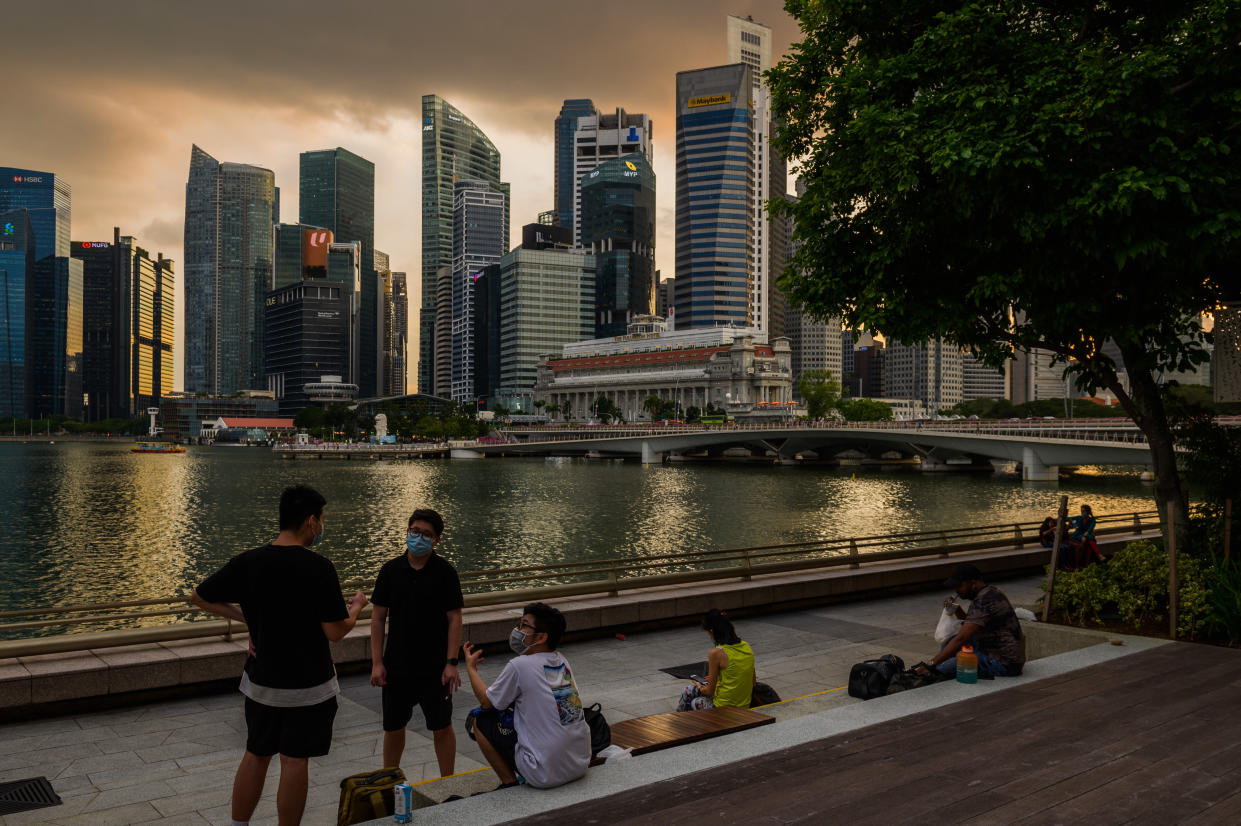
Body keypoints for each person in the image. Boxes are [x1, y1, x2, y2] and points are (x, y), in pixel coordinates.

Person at [190, 484, 366, 826]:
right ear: (311, 522)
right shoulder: (319, 568)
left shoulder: (248, 561)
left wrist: (249, 620)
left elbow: (198, 596)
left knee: (256, 754)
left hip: (262, 683)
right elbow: (335, 631)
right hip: (309, 685)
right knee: (295, 760)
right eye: (321, 520)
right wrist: (356, 608)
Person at [369, 508, 464, 775]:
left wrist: (451, 662)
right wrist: (377, 663)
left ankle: (448, 781)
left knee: (441, 725)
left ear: (437, 540)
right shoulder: (390, 570)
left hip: (435, 667)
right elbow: (377, 618)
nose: (418, 537)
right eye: (415, 531)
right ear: (407, 531)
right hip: (397, 665)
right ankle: (389, 780)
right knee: (393, 727)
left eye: (426, 534)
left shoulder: (445, 573)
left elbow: (455, 619)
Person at [462, 602, 590, 790]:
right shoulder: (561, 660)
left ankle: (509, 783)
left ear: (541, 637)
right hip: (579, 763)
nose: (517, 630)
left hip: (544, 773)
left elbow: (487, 702)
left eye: (523, 625)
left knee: (480, 719)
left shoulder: (520, 665)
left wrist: (471, 669)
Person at [915, 563, 1025, 679]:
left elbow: (962, 638)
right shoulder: (991, 591)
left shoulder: (983, 601)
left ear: (973, 583)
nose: (956, 590)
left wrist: (930, 664)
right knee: (949, 642)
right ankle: (940, 666)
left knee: (944, 669)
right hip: (999, 652)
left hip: (1003, 663)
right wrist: (956, 609)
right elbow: (970, 625)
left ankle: (936, 671)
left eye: (959, 586)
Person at [676, 609, 755, 711]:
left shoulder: (716, 653)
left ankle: (680, 721)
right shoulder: (746, 646)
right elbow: (752, 681)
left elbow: (709, 691)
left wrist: (699, 685)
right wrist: (718, 679)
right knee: (691, 690)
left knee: (692, 698)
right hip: (744, 704)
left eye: (708, 633)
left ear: (712, 631)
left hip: (723, 709)